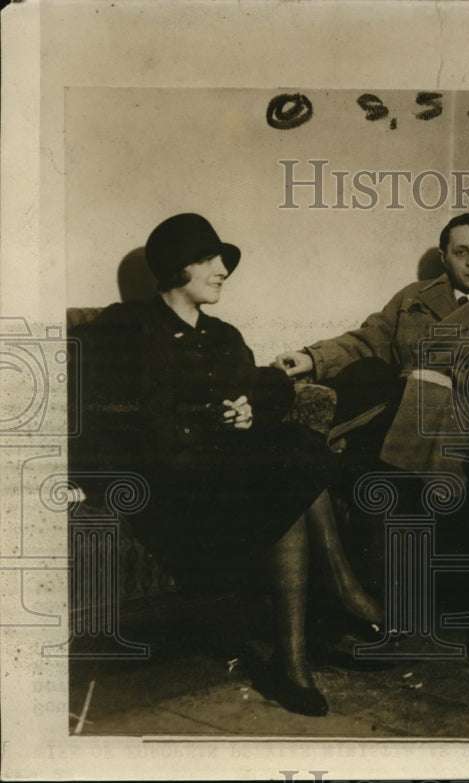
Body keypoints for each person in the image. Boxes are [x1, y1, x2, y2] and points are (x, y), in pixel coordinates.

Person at [76, 213, 382, 717]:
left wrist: (247, 412)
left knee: (291, 448)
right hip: (170, 484)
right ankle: (341, 596)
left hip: (222, 474)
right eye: (209, 259)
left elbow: (264, 387)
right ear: (178, 268)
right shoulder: (126, 324)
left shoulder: (222, 334)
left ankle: (295, 658)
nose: (223, 270)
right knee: (285, 469)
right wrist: (209, 410)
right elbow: (113, 408)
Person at [274, 212, 469, 484]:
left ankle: (337, 446)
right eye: (461, 252)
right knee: (371, 370)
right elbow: (370, 339)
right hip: (395, 413)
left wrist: (432, 371)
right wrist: (311, 357)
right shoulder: (414, 295)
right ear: (444, 257)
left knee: (409, 402)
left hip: (455, 419)